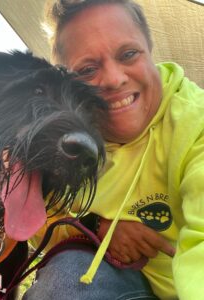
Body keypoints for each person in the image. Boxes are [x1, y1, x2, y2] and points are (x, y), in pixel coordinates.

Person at [22, 0, 204, 299]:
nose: (114, 79)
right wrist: (98, 226)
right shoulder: (63, 138)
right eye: (88, 69)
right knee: (68, 278)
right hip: (127, 283)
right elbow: (38, 221)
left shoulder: (195, 123)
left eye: (128, 54)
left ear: (150, 47)